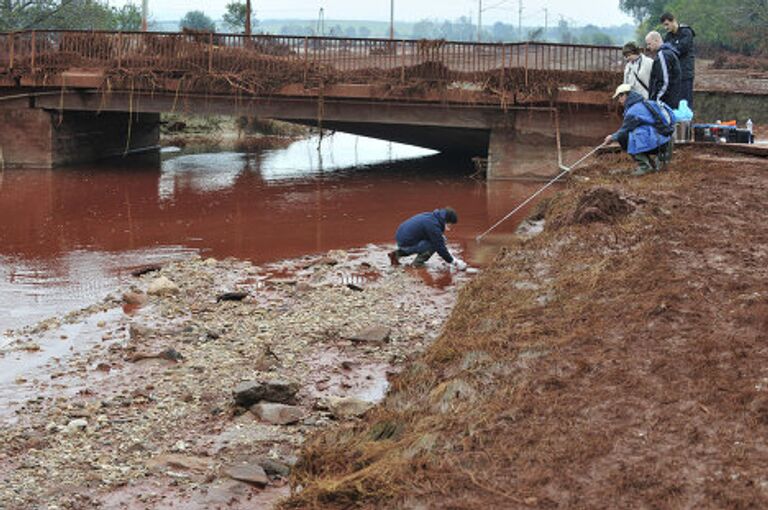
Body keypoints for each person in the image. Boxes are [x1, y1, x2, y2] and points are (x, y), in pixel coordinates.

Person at [604, 84, 675, 176]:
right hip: (666, 140)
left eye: (619, 96)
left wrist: (612, 137)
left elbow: (624, 130)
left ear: (625, 95)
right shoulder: (647, 103)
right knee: (636, 132)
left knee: (626, 137)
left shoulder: (633, 111)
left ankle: (644, 166)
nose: (619, 100)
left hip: (658, 142)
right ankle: (652, 162)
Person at [388, 207, 467, 270]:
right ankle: (417, 264)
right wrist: (454, 262)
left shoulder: (431, 216)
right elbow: (440, 248)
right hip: (406, 243)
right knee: (435, 244)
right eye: (450, 225)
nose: (450, 228)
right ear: (446, 221)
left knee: (438, 240)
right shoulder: (433, 226)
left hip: (402, 240)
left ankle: (396, 254)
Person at [661, 12, 695, 108]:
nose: (666, 28)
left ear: (674, 21)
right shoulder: (668, 36)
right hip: (674, 74)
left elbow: (681, 49)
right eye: (664, 26)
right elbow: (666, 52)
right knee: (675, 102)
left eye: (667, 24)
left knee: (686, 101)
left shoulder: (686, 32)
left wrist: (671, 48)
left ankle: (687, 122)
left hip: (685, 73)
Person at [645, 30, 682, 109]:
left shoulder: (662, 54)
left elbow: (665, 80)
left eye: (649, 44)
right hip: (671, 100)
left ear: (656, 40)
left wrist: (657, 99)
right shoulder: (669, 53)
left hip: (665, 102)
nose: (648, 47)